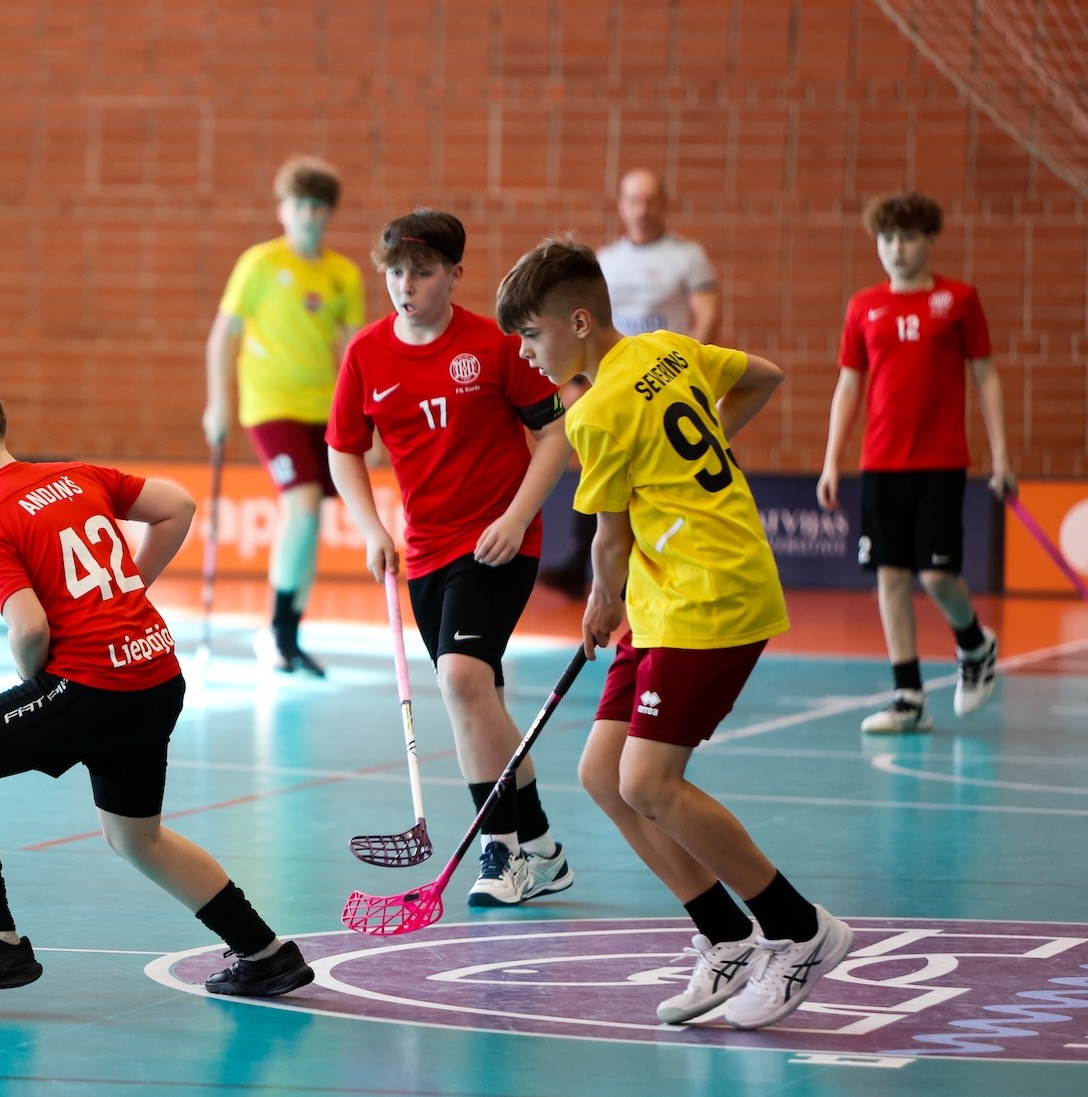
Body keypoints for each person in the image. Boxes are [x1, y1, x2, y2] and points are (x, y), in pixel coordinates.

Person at [496, 238, 853, 1030]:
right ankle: (725, 934)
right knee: (602, 773)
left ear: (578, 322)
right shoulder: (668, 349)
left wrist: (599, 601)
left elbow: (609, 537)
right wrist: (710, 445)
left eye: (532, 335)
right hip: (665, 598)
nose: (526, 352)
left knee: (649, 783)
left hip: (709, 595)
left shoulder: (595, 411)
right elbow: (765, 376)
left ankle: (799, 930)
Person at [0, 379, 317, 996]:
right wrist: (129, 589)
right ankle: (266, 953)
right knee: (136, 837)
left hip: (92, 686)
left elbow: (28, 628)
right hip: (155, 677)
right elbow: (177, 505)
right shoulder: (77, 475)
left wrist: (30, 676)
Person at [327, 209, 577, 907]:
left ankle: (501, 850)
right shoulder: (367, 354)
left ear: (455, 274)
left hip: (499, 542)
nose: (406, 286)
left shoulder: (493, 345)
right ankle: (544, 849)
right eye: (395, 273)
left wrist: (517, 517)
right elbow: (343, 449)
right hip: (426, 551)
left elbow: (556, 434)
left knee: (462, 680)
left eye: (422, 272)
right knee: (479, 698)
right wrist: (372, 529)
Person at [816, 190, 1012, 734]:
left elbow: (986, 376)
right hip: (881, 462)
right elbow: (849, 385)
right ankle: (909, 696)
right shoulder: (863, 306)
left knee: (937, 575)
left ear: (929, 241)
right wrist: (832, 460)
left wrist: (1002, 455)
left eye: (907, 237)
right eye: (887, 238)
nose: (896, 248)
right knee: (891, 575)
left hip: (940, 461)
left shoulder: (959, 300)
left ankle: (974, 644)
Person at [205, 155, 366, 675]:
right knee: (301, 504)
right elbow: (222, 338)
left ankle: (290, 635)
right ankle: (276, 632)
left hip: (323, 408)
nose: (309, 215)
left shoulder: (343, 275)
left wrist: (366, 421)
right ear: (282, 210)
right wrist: (218, 403)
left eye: (319, 206)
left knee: (312, 518)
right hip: (270, 405)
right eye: (300, 205)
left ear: (330, 213)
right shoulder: (258, 264)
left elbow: (354, 355)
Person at [541, 169, 722, 598]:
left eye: (650, 200)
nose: (642, 209)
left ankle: (655, 565)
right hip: (611, 380)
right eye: (634, 200)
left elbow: (709, 315)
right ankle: (580, 560)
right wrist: (577, 379)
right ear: (621, 206)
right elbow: (585, 323)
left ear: (664, 204)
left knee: (652, 469)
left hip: (660, 380)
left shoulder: (688, 256)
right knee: (601, 464)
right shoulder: (606, 260)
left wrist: (685, 369)